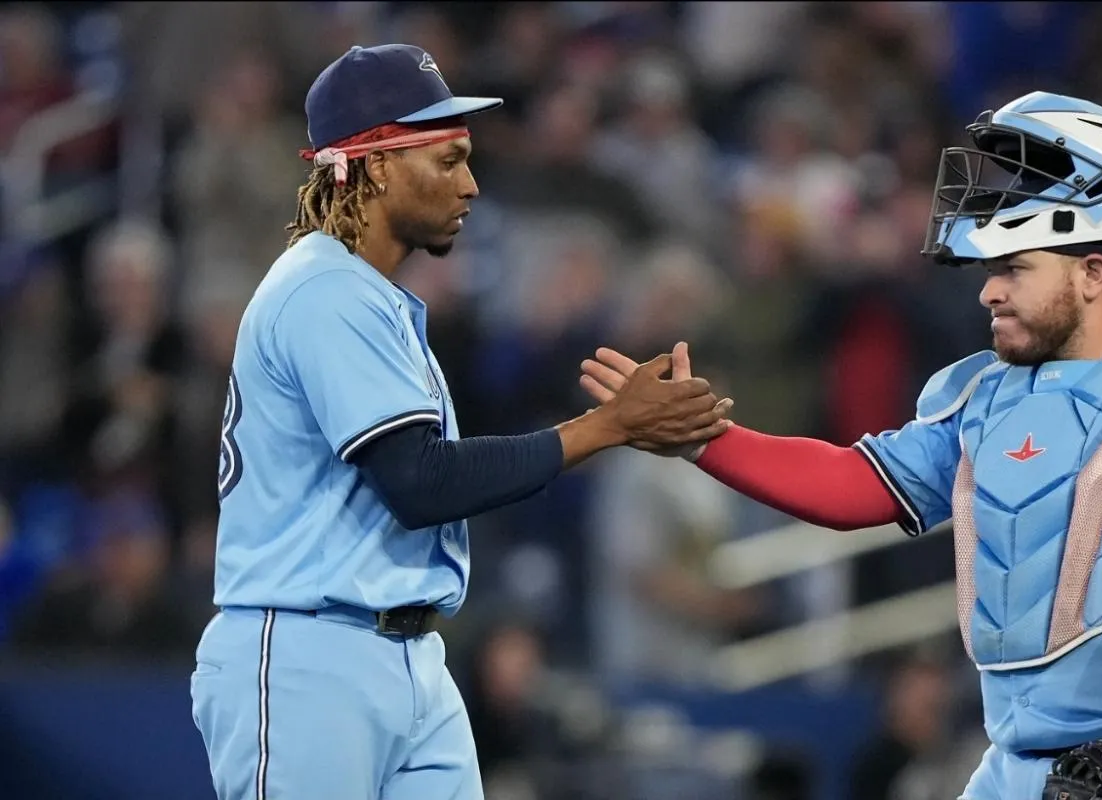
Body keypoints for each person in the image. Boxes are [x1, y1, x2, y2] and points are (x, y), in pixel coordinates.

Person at [582, 92, 1102, 799]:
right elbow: (854, 485)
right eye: (990, 272)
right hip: (1014, 761)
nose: (990, 293)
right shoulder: (983, 396)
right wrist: (705, 440)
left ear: (1094, 273)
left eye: (1015, 269)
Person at [189, 44, 731, 800]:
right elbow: (420, 481)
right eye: (446, 161)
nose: (471, 185)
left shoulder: (367, 296)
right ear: (376, 164)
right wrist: (606, 427)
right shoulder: (325, 291)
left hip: (403, 651)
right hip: (309, 655)